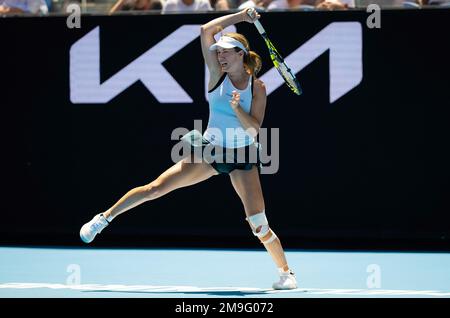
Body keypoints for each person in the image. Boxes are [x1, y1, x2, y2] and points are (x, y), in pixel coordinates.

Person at [79, 8, 297, 290]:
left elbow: (254, 129)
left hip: (243, 156)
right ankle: (103, 219)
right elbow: (206, 30)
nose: (220, 55)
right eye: (218, 52)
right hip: (209, 152)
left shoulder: (258, 88)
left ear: (241, 54)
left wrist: (236, 110)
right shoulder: (217, 75)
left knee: (258, 223)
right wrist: (241, 16)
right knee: (156, 188)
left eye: (226, 52)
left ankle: (286, 273)